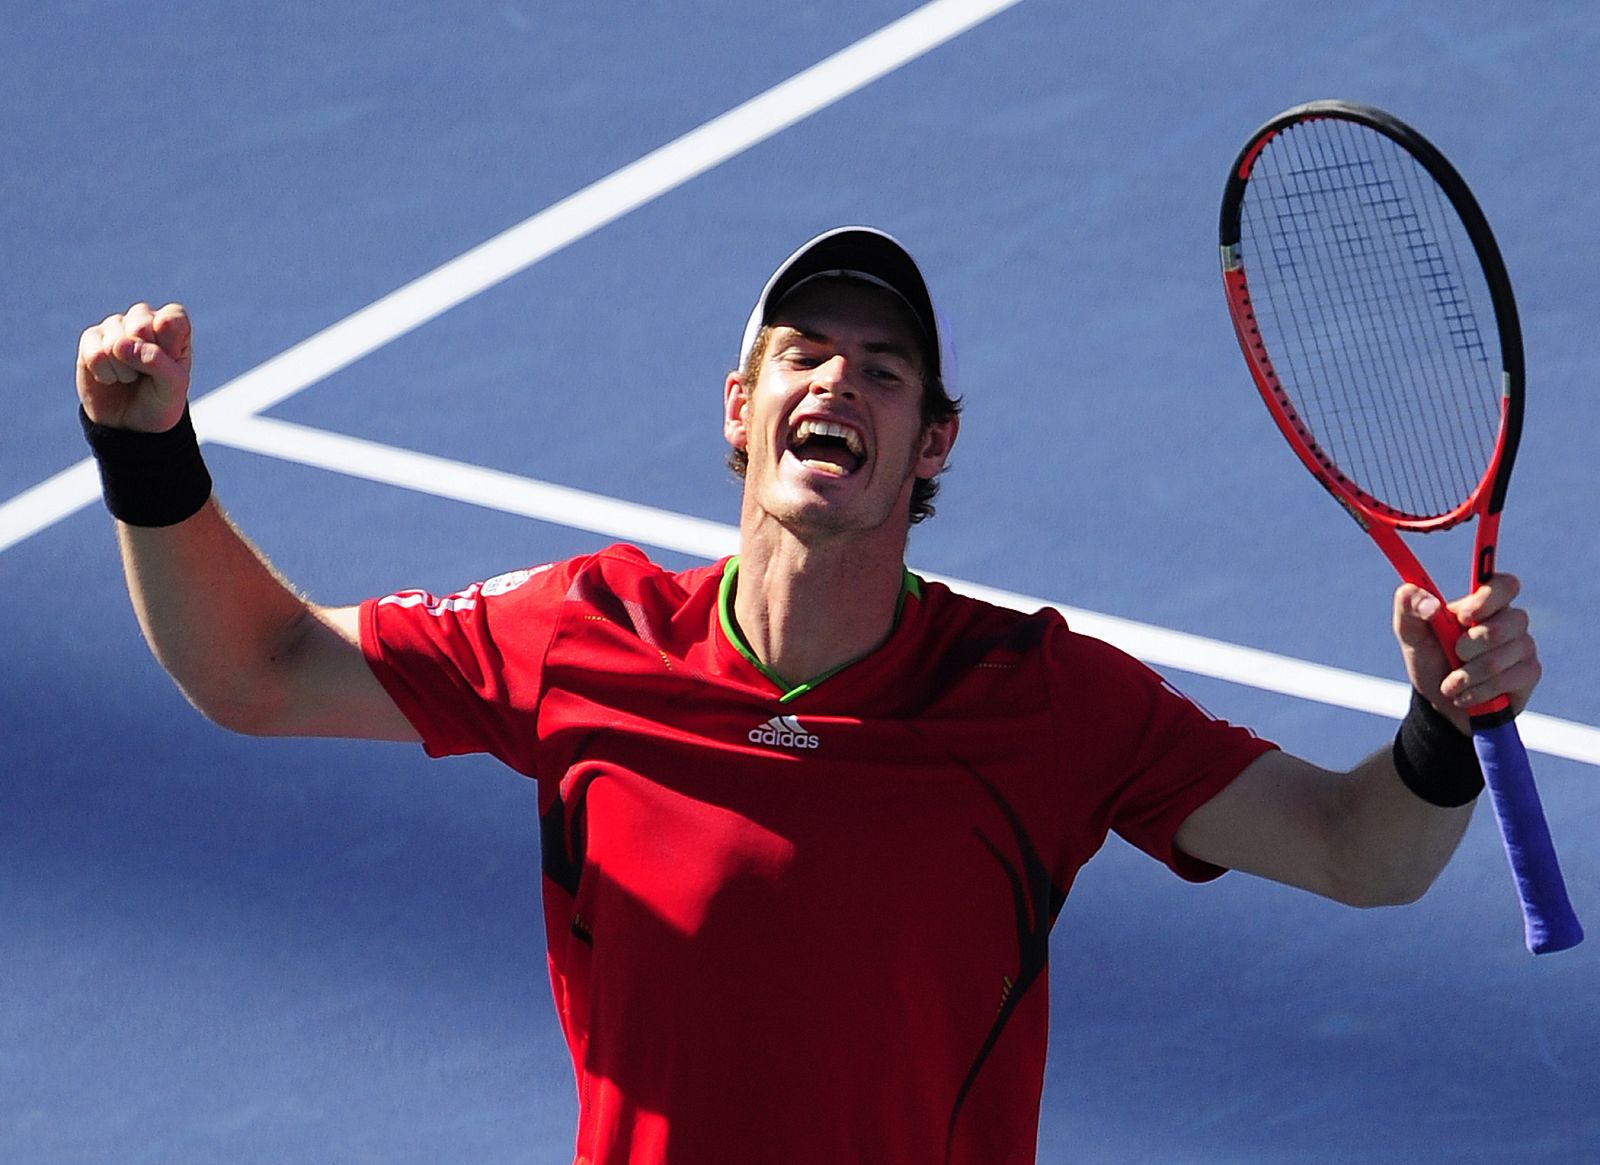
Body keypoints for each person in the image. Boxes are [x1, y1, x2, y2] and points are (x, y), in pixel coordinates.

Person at [75, 227, 1540, 1165]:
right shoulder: (581, 635)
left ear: (931, 449)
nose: (841, 375)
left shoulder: (1042, 700)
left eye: (886, 369)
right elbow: (254, 671)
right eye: (806, 351)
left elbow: (1362, 852)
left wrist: (1439, 728)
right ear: (741, 407)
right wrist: (147, 455)